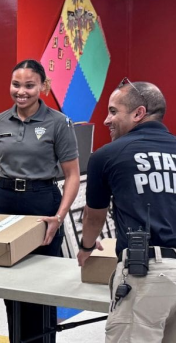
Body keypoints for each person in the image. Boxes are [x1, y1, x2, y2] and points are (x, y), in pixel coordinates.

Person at [0, 59, 80, 343]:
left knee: (42, 282)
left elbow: (72, 175)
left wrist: (59, 216)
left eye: (29, 85)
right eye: (16, 84)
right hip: (4, 203)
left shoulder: (59, 122)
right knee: (9, 282)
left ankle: (43, 340)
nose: (21, 91)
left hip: (41, 203)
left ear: (43, 86)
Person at [77, 79, 176, 342]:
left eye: (113, 111)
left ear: (138, 113)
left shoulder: (106, 155)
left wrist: (86, 248)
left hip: (146, 273)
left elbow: (94, 216)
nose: (107, 120)